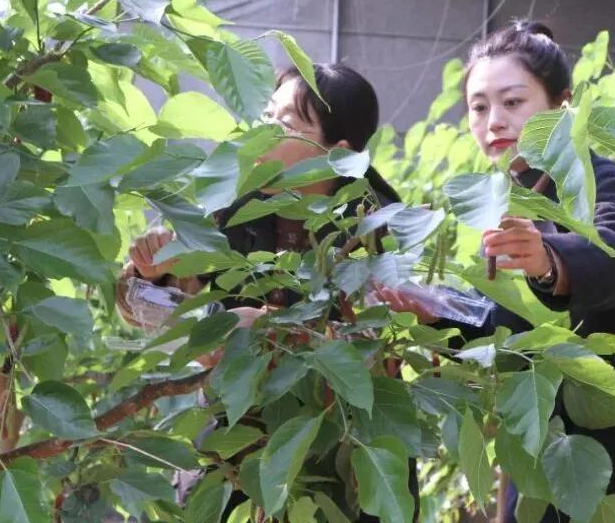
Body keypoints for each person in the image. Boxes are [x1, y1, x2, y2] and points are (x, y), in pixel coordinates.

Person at [378, 21, 615, 523]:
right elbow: (507, 328)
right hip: (536, 463)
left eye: (513, 102)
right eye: (478, 107)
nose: (494, 121)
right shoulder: (507, 203)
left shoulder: (602, 183)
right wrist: (434, 311)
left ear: (562, 105)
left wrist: (550, 259)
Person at [116, 64, 416, 523]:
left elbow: (382, 343)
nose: (263, 133)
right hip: (235, 440)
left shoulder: (380, 228)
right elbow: (143, 312)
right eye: (266, 116)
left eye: (286, 124)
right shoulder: (229, 205)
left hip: (338, 443)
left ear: (337, 153)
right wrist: (152, 275)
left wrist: (269, 332)